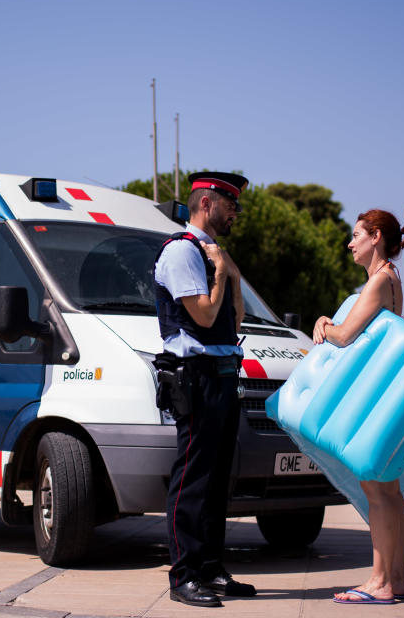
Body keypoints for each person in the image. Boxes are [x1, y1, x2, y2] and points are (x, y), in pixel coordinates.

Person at [153, 171, 255, 608]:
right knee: (192, 479)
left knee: (216, 482)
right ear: (208, 205)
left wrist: (226, 267)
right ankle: (183, 576)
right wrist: (218, 269)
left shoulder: (213, 251)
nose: (237, 213)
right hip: (196, 376)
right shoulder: (181, 252)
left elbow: (237, 312)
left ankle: (211, 568)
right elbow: (208, 316)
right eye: (231, 205)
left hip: (222, 374)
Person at [311, 209, 404, 605]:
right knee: (387, 490)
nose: (349, 242)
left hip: (376, 396)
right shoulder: (390, 278)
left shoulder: (378, 281)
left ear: (375, 237)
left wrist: (323, 323)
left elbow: (344, 336)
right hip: (385, 392)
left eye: (356, 235)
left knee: (378, 491)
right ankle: (394, 579)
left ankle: (381, 582)